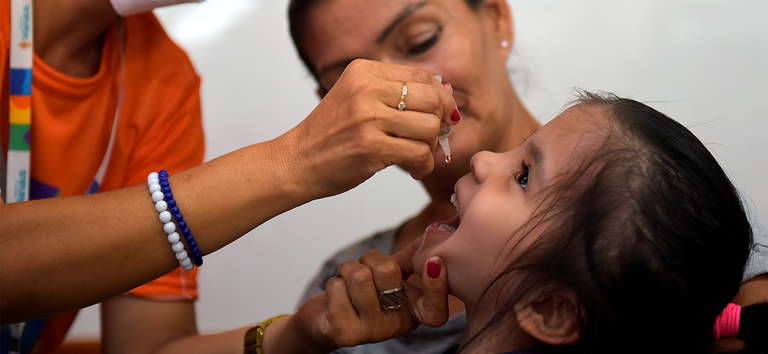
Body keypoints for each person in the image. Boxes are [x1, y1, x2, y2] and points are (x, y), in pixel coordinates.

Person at [289, 0, 768, 353]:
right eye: (351, 78)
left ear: (497, 17)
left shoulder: (662, 216)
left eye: (421, 41)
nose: (399, 89)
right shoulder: (338, 291)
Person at [0, 0, 457, 353]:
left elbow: (146, 347)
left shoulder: (162, 80)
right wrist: (295, 161)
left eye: (420, 40)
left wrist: (297, 334)